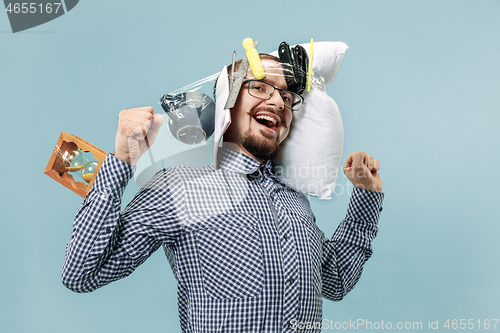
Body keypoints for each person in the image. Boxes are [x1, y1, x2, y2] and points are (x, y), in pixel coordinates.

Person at [62, 53, 384, 333]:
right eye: (259, 87)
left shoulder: (294, 199)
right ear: (227, 99)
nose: (277, 102)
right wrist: (121, 159)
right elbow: (82, 274)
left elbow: (336, 281)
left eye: (287, 98)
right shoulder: (178, 186)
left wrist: (367, 197)